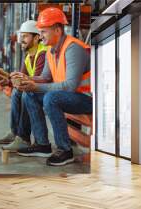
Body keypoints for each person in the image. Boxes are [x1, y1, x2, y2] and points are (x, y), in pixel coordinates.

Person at [16, 7, 92, 166]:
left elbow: (70, 86)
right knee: (28, 94)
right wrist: (25, 79)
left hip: (87, 99)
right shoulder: (51, 50)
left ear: (57, 30)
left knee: (51, 98)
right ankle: (42, 144)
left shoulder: (73, 49)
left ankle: (65, 150)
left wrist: (36, 87)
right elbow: (44, 78)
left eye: (43, 31)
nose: (41, 36)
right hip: (69, 96)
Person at [0, 20, 49, 154]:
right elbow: (20, 79)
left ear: (36, 38)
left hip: (47, 89)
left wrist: (14, 80)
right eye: (21, 36)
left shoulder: (42, 54)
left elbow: (38, 80)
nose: (21, 40)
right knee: (17, 92)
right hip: (38, 88)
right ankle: (15, 133)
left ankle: (23, 137)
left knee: (25, 93)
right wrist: (6, 80)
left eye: (25, 36)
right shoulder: (28, 56)